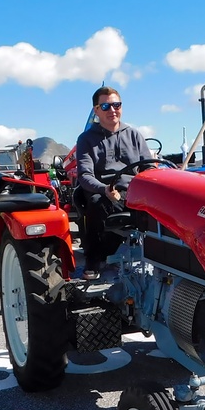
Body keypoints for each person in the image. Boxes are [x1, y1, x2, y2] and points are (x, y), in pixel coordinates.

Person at [76, 86, 152, 279]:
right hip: (103, 192)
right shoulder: (86, 139)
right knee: (96, 203)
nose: (112, 110)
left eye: (116, 105)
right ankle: (94, 258)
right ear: (96, 110)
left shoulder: (134, 135)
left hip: (132, 191)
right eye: (106, 106)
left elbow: (149, 167)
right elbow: (85, 175)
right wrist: (104, 189)